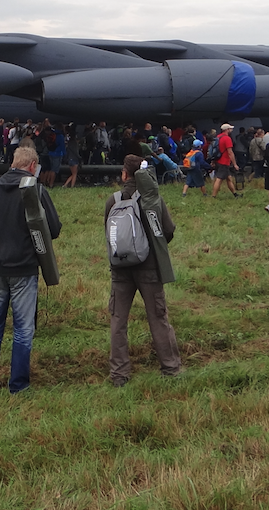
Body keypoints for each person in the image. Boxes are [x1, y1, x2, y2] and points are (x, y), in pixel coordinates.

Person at [0, 146, 61, 394]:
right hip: (23, 268)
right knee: (23, 328)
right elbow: (54, 228)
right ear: (33, 166)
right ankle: (18, 385)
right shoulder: (34, 190)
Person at [106, 155, 181, 386]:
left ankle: (119, 373)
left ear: (124, 174)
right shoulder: (153, 199)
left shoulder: (113, 200)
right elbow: (168, 231)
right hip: (149, 268)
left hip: (120, 269)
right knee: (158, 318)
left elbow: (109, 234)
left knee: (118, 320)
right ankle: (171, 368)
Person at [210, 123, 240, 199]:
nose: (231, 130)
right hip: (224, 161)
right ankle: (213, 196)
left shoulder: (218, 137)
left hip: (218, 160)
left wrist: (213, 161)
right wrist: (235, 164)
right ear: (227, 130)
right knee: (219, 179)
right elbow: (230, 152)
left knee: (229, 178)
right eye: (230, 129)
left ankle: (235, 194)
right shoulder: (227, 138)